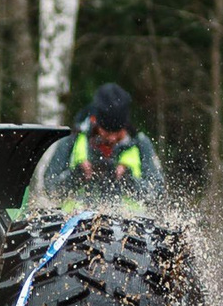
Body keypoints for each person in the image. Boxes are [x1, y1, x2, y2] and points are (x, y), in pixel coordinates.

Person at [37, 82, 165, 210]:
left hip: (128, 227)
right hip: (77, 226)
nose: (112, 138)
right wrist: (76, 176)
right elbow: (50, 189)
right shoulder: (71, 141)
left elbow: (157, 193)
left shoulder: (141, 144)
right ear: (94, 120)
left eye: (118, 132)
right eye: (107, 132)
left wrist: (128, 180)